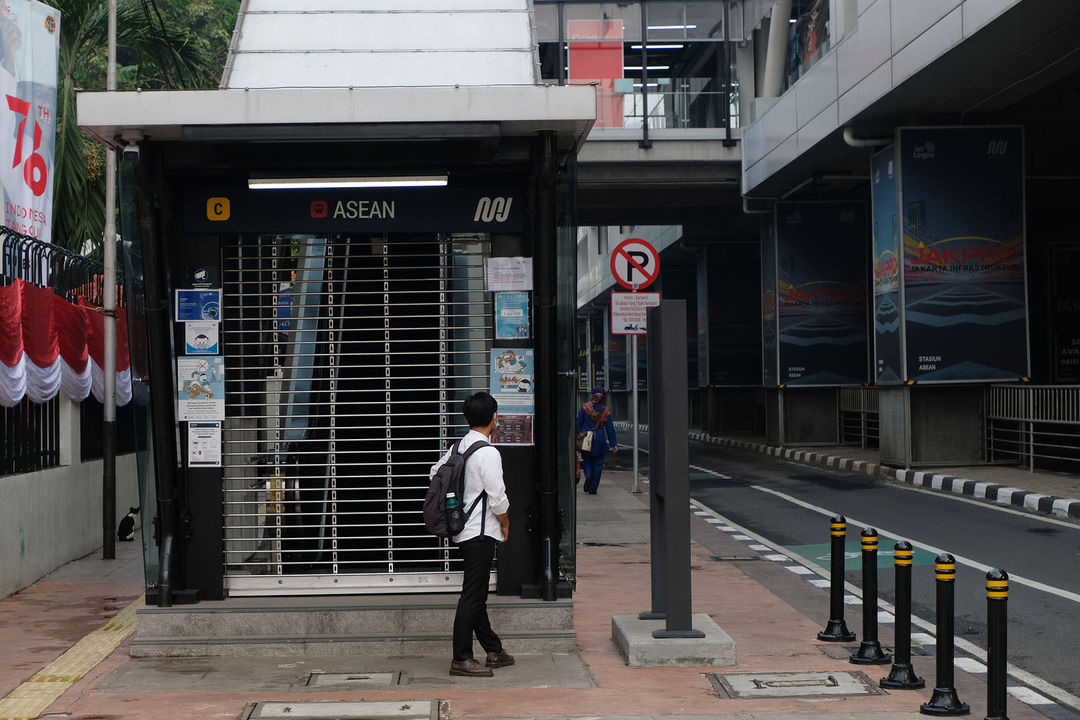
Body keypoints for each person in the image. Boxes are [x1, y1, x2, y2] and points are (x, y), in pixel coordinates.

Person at [430, 391, 514, 677]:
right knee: (472, 596)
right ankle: (461, 658)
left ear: (466, 418)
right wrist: (505, 523)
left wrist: (456, 499)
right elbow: (497, 497)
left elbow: (434, 473)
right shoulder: (488, 452)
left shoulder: (459, 446)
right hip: (481, 533)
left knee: (476, 594)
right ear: (494, 418)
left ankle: (494, 651)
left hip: (461, 531)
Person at [576, 386, 618, 494]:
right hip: (599, 439)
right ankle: (593, 488)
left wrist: (575, 437)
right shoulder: (605, 410)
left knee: (587, 460)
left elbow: (578, 424)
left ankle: (588, 475)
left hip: (586, 438)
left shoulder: (585, 408)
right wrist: (614, 444)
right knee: (598, 464)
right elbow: (610, 429)